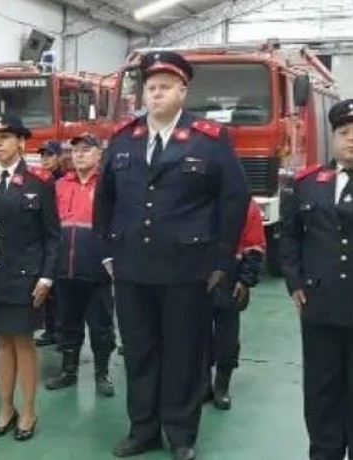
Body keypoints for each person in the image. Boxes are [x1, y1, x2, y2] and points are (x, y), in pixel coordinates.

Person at [93, 52, 249, 460]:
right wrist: (107, 251)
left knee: (183, 352)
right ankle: (143, 428)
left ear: (183, 90)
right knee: (140, 350)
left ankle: (181, 433)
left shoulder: (210, 139)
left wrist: (220, 260)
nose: (156, 93)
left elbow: (234, 199)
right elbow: (104, 198)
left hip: (187, 267)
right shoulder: (125, 138)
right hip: (131, 266)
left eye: (165, 86)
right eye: (150, 87)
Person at [280, 99, 353, 460]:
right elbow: (290, 237)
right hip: (319, 303)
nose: (352, 140)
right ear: (333, 138)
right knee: (321, 386)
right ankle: (325, 451)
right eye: (344, 133)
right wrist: (295, 282)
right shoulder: (307, 185)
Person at [0, 114, 60, 442]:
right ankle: (5, 408)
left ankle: (29, 411)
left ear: (21, 142)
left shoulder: (39, 181)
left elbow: (52, 236)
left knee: (23, 342)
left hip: (26, 278)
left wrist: (47, 277)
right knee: (1, 343)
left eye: (5, 137)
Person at [44, 133, 115, 397]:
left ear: (99, 154)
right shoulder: (60, 185)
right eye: (75, 151)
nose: (80, 155)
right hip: (65, 269)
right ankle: (68, 371)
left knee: (101, 325)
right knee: (67, 324)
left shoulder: (109, 185)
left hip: (98, 270)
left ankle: (102, 373)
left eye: (86, 150)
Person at [208, 200, 265, 410]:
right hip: (196, 274)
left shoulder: (246, 204)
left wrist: (246, 279)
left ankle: (221, 386)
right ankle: (203, 385)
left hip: (230, 275)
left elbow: (254, 243)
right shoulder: (194, 195)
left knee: (227, 336)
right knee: (195, 334)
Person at [33, 140, 63, 348]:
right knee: (47, 290)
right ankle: (50, 329)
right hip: (41, 239)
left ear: (59, 157)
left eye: (50, 156)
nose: (45, 160)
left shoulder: (64, 180)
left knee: (60, 291)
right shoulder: (40, 181)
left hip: (60, 238)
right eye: (43, 156)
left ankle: (61, 331)